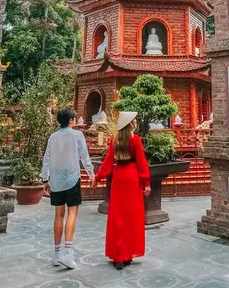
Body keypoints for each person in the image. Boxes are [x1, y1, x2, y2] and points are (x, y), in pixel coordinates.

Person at [92, 111, 151, 270]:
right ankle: (127, 254)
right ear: (130, 123)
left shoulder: (114, 139)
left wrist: (97, 178)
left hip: (119, 178)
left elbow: (107, 162)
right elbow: (142, 164)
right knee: (131, 218)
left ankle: (119, 256)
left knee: (118, 218)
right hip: (132, 179)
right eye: (134, 119)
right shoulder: (136, 141)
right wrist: (146, 183)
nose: (136, 121)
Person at [40, 107, 94, 269]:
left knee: (58, 215)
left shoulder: (53, 137)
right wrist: (91, 173)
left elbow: (47, 157)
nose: (76, 120)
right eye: (75, 118)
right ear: (70, 120)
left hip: (56, 179)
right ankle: (68, 253)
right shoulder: (77, 135)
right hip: (71, 178)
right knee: (72, 213)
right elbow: (84, 156)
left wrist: (45, 178)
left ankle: (57, 255)